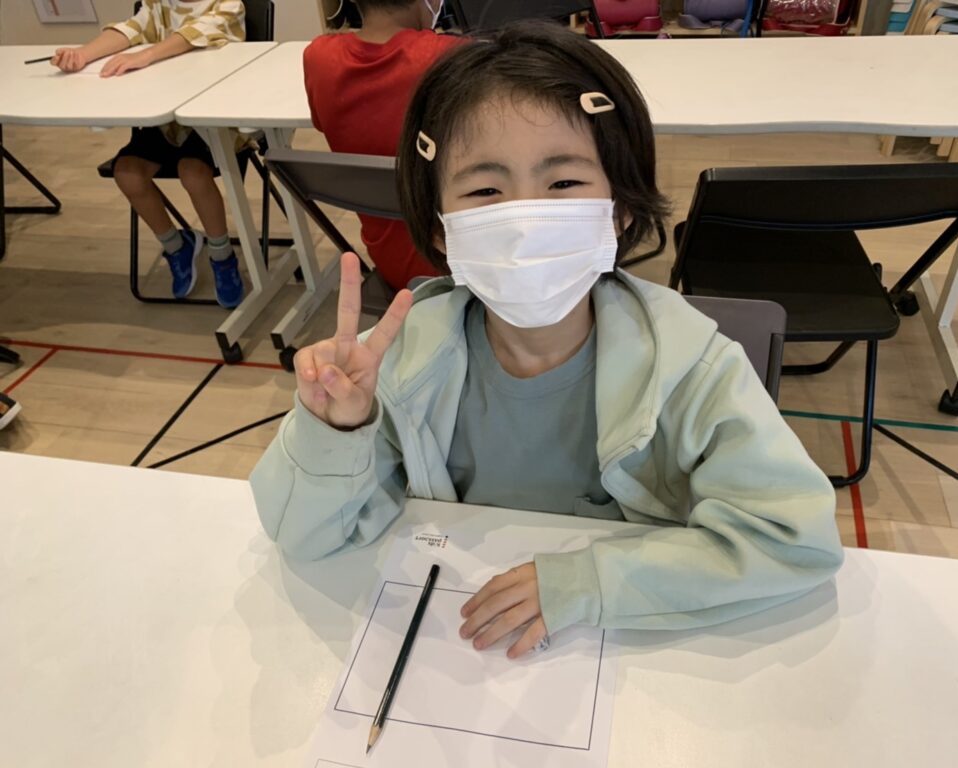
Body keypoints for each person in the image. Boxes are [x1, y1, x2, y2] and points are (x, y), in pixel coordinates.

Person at [251, 22, 843, 660]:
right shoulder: (394, 364)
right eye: (485, 190)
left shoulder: (690, 366)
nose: (524, 219)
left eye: (563, 184)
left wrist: (590, 583)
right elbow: (305, 536)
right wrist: (335, 432)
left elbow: (794, 538)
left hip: (621, 645)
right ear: (442, 227)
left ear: (619, 209)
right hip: (454, 637)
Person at [50, 0, 246, 308]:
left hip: (211, 122)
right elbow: (130, 29)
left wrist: (146, 55)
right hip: (163, 120)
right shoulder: (158, 4)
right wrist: (82, 55)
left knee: (193, 173)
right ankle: (176, 246)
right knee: (127, 172)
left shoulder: (230, 5)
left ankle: (222, 256)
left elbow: (193, 34)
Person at [302, 0, 461, 291]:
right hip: (461, 264)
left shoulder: (318, 58)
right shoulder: (450, 57)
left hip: (391, 267)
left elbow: (324, 123)